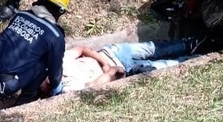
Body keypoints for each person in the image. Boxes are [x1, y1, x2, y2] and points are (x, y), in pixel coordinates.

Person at [0, 0, 70, 111]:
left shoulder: (21, 15)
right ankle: (22, 105)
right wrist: (57, 89)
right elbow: (55, 71)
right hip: (3, 85)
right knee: (45, 64)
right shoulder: (55, 35)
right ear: (60, 11)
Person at [41, 38, 201, 94]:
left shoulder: (59, 62)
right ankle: (197, 58)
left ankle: (191, 42)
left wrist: (104, 63)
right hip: (123, 72)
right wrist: (112, 71)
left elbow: (82, 49)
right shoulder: (69, 89)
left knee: (152, 48)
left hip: (112, 54)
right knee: (163, 66)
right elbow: (96, 84)